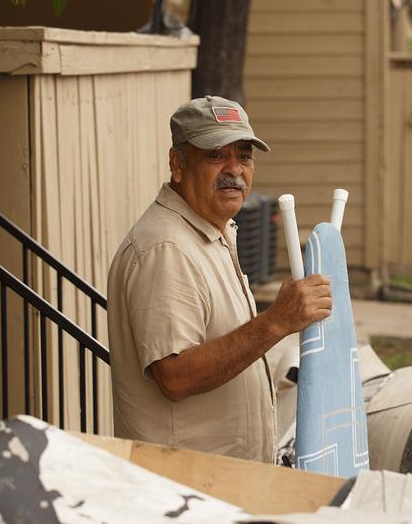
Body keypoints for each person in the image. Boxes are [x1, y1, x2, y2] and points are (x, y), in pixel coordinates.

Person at [107, 96, 332, 464]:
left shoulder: (211, 230)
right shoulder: (166, 248)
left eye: (244, 156)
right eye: (215, 155)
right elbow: (176, 377)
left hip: (217, 482)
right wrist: (276, 320)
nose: (234, 169)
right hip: (185, 491)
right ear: (177, 164)